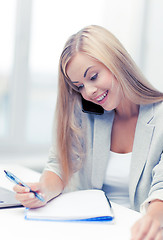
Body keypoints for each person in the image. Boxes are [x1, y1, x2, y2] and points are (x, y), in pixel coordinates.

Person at [14, 25, 163, 239]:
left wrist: (153, 219)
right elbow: (60, 165)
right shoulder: (84, 114)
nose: (89, 92)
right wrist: (42, 191)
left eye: (93, 77)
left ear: (117, 63)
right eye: (79, 86)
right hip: (90, 230)